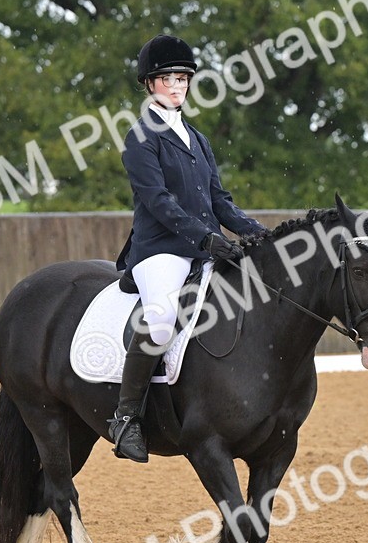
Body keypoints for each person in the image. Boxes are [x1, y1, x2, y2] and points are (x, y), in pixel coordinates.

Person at [109, 34, 266, 463]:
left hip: (202, 248)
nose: (176, 86)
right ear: (149, 84)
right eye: (167, 79)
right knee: (160, 318)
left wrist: (258, 234)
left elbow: (220, 201)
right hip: (159, 250)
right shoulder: (139, 137)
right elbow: (158, 202)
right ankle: (125, 419)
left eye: (183, 78)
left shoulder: (197, 138)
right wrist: (205, 237)